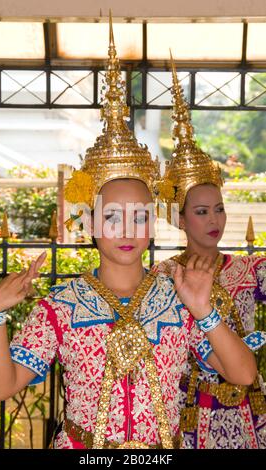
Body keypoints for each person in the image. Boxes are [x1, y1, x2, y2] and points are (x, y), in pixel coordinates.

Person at [0, 20, 257, 450]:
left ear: (154, 222)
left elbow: (243, 375)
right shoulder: (61, 305)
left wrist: (204, 310)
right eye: (113, 217)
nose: (128, 229)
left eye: (140, 216)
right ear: (90, 224)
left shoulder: (178, 298)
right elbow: (2, 389)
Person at [155, 56, 266, 449]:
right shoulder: (162, 276)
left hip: (252, 411)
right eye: (201, 212)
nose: (213, 219)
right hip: (188, 412)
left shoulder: (252, 270)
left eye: (218, 208)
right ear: (180, 219)